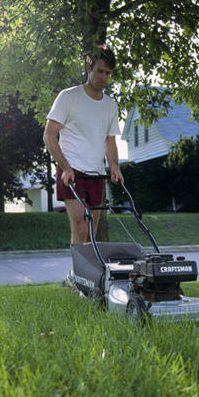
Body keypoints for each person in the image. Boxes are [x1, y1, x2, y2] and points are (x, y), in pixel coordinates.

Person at [43, 45, 124, 247]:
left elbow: (110, 141)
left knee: (91, 231)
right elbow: (49, 135)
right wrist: (65, 166)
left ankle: (87, 275)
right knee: (80, 224)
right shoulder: (68, 97)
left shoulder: (110, 105)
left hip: (96, 174)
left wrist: (114, 166)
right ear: (89, 67)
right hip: (72, 172)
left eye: (107, 73)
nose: (103, 77)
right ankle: (79, 277)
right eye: (99, 71)